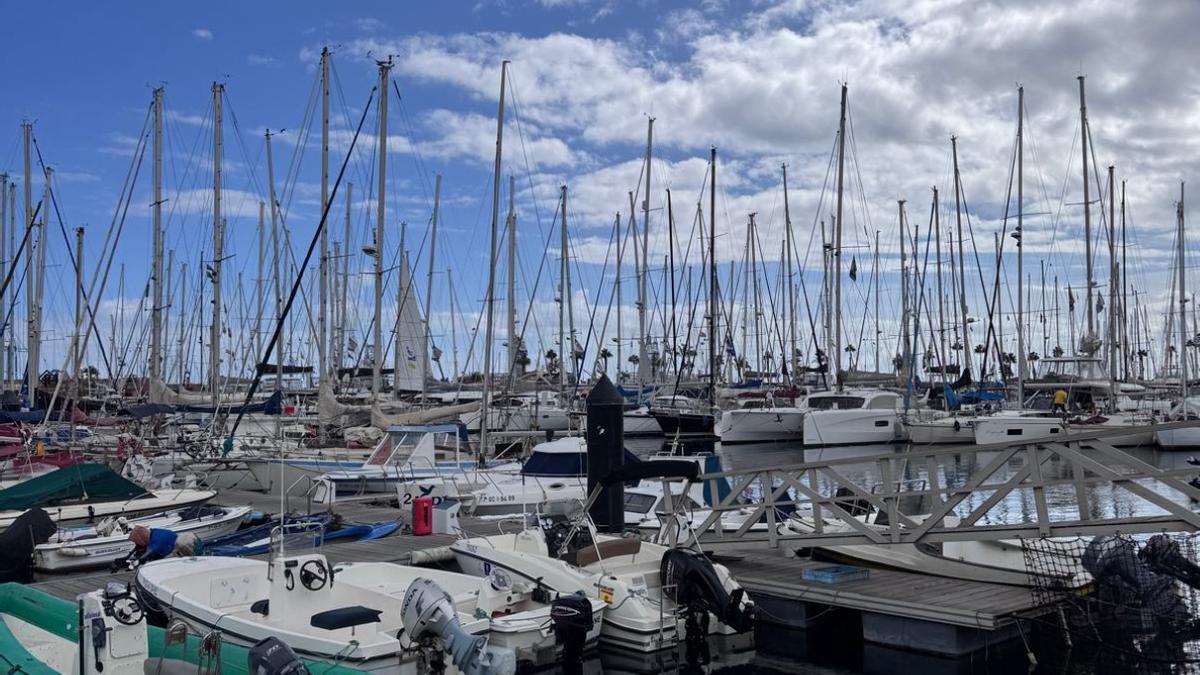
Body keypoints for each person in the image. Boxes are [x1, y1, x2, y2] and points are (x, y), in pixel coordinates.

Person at [111, 526, 203, 571]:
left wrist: (127, 564)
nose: (136, 543)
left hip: (183, 545)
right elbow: (137, 548)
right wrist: (124, 559)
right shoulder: (151, 533)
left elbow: (143, 557)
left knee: (164, 566)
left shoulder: (155, 541)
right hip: (174, 544)